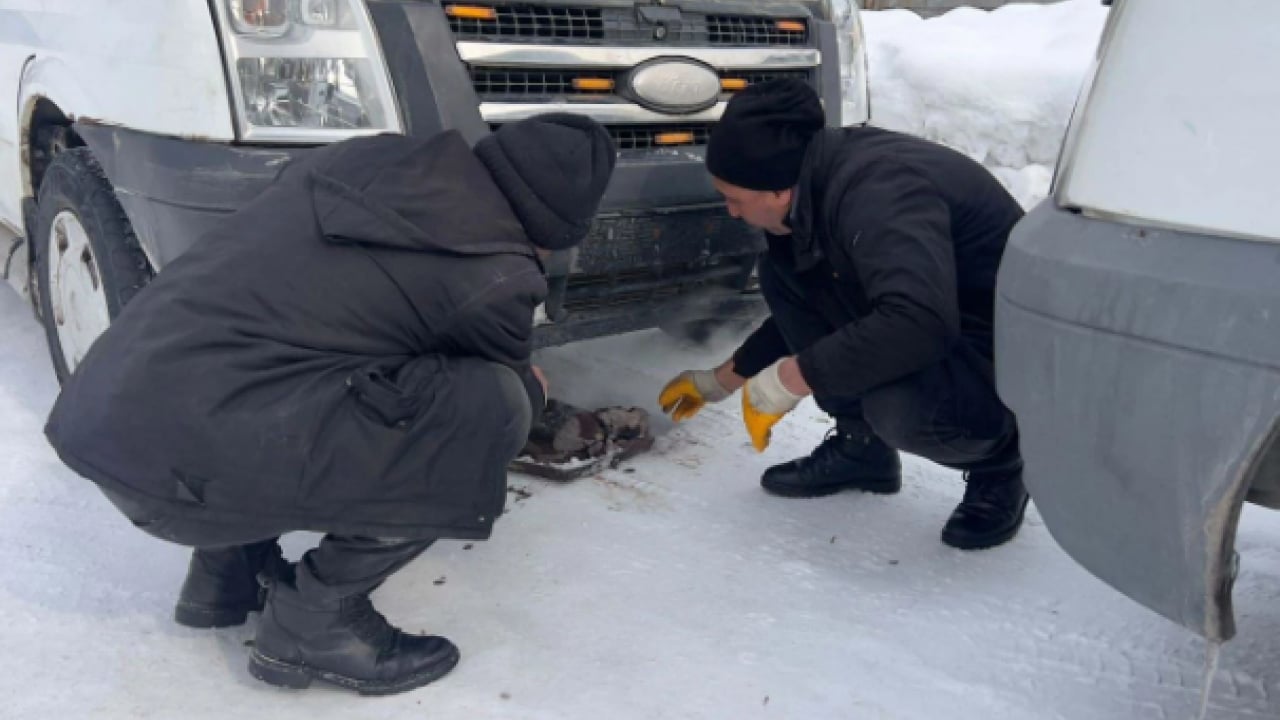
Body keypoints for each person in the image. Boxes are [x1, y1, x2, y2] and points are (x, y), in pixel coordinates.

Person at [44, 114, 616, 695]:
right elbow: (496, 385)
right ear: (557, 227)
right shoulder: (497, 275)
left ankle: (226, 572)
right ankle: (315, 620)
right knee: (494, 407)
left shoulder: (368, 160)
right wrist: (535, 389)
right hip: (181, 481)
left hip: (112, 424)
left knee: (295, 356)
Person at [659, 79, 1028, 551]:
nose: (731, 212)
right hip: (943, 325)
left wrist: (793, 377)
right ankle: (863, 449)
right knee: (783, 271)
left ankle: (1003, 462)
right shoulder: (817, 184)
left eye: (734, 198)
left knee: (900, 407)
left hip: (1007, 356)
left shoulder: (880, 193)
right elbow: (817, 305)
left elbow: (919, 322)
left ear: (777, 190)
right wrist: (722, 380)